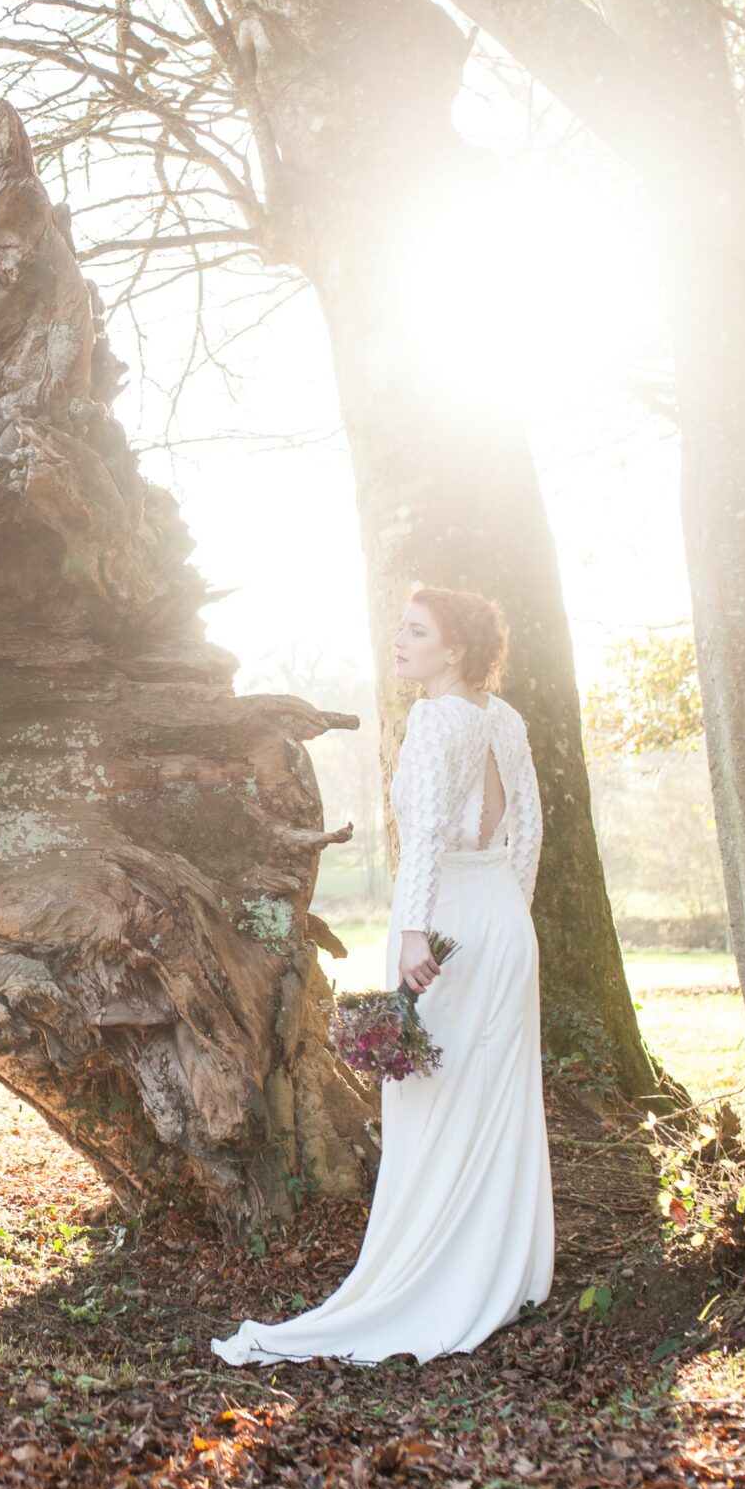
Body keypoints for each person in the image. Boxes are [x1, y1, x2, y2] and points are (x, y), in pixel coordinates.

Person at [212, 585, 554, 1366]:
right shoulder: (506, 720)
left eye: (416, 631)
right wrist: (508, 915)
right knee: (492, 1098)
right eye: (401, 627)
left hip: (447, 921)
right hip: (503, 917)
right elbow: (528, 828)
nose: (399, 641)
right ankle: (506, 1271)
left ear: (454, 649)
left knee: (435, 1099)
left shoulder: (437, 719)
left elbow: (428, 832)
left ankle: (437, 1276)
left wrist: (411, 930)